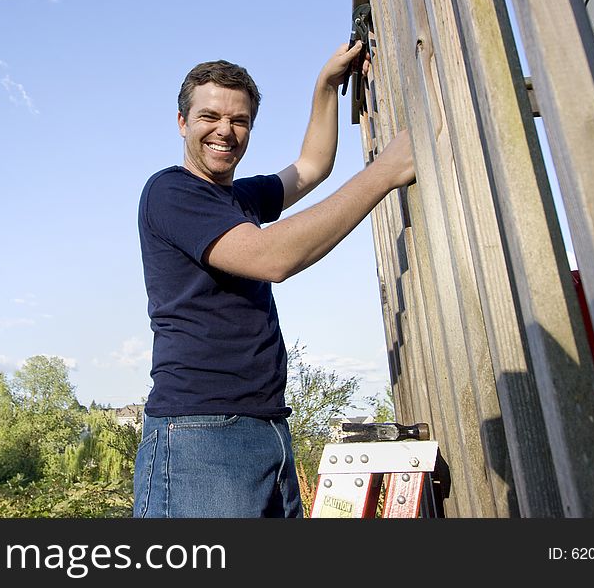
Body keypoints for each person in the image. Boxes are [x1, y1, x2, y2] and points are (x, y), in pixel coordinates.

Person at [134, 40, 414, 518]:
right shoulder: (172, 192)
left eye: (239, 121)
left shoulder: (240, 199)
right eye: (209, 117)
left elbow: (312, 166)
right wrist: (384, 173)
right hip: (200, 437)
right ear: (182, 122)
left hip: (267, 425)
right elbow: (271, 258)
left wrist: (325, 86)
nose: (225, 131)